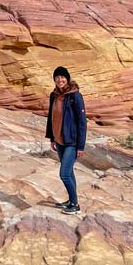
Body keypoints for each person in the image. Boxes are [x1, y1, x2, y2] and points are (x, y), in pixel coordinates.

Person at [44, 66, 87, 214]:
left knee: (64, 174)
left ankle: (75, 205)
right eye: (57, 77)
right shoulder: (54, 95)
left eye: (62, 77)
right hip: (59, 140)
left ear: (67, 79)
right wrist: (52, 138)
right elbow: (51, 117)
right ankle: (71, 200)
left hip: (71, 142)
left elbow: (82, 123)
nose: (60, 80)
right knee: (69, 172)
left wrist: (80, 146)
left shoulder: (75, 96)